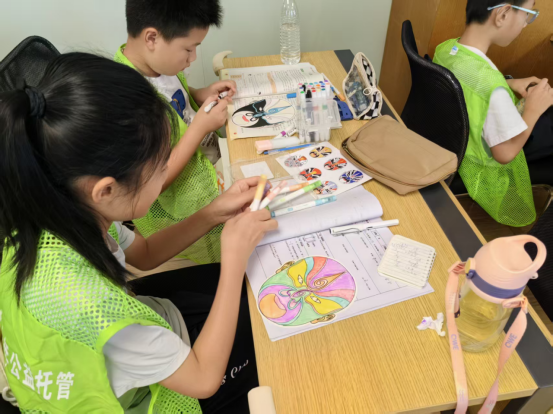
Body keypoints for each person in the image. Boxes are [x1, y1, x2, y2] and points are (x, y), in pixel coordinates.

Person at [0, 53, 277, 414]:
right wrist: (234, 260)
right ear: (107, 189)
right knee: (268, 343)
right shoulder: (88, 303)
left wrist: (213, 213)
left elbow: (144, 254)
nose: (167, 174)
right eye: (161, 167)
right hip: (145, 388)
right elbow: (203, 380)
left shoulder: (59, 206)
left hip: (136, 324)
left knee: (252, 298)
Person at [115, 0, 238, 264]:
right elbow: (153, 184)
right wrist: (200, 127)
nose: (193, 58)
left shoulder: (156, 66)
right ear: (152, 38)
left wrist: (199, 94)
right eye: (188, 49)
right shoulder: (129, 102)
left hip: (211, 164)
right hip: (187, 207)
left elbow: (173, 95)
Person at [434, 0, 553, 227]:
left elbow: (466, 83)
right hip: (486, 160)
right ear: (503, 14)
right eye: (528, 14)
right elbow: (504, 154)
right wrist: (534, 109)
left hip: (459, 143)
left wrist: (509, 83)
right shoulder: (492, 87)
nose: (526, 24)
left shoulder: (447, 49)